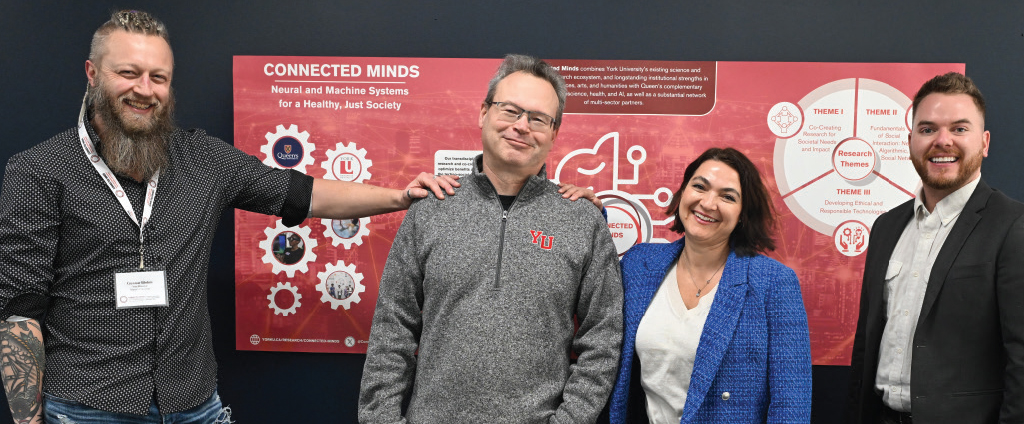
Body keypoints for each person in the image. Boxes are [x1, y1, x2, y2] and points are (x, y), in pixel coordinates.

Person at [0, 9, 470, 424]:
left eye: (158, 77)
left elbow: (304, 194)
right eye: (129, 72)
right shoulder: (38, 171)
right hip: (87, 407)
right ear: (92, 73)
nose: (145, 90)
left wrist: (399, 197)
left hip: (193, 403)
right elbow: (20, 311)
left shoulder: (202, 159)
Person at [358, 54, 623, 423]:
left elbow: (603, 339)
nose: (522, 126)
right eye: (510, 111)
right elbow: (393, 327)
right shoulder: (431, 209)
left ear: (554, 132)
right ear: (484, 112)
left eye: (537, 118)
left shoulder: (581, 221)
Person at [848, 72, 1024, 423]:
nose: (942, 141)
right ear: (910, 140)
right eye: (928, 129)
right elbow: (868, 346)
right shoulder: (886, 227)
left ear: (985, 143)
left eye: (960, 129)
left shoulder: (1013, 225)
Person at [608, 147, 812, 423]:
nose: (707, 203)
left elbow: (792, 404)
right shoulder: (639, 265)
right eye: (699, 187)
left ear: (743, 214)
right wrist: (586, 213)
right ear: (683, 192)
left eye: (727, 196)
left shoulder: (774, 283)